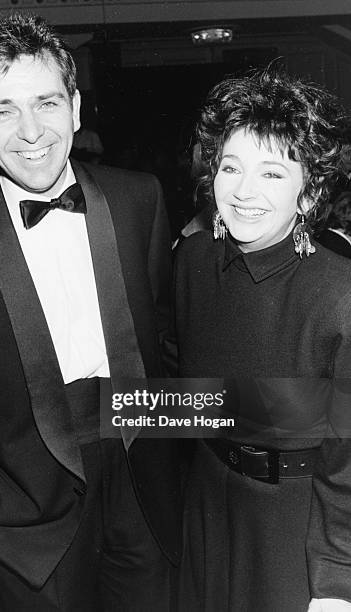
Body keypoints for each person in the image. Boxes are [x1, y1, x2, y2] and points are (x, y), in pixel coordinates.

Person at [0, 13, 182, 612]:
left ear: (76, 108)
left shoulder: (140, 200)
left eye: (47, 103)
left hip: (147, 493)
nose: (32, 132)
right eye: (2, 111)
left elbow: (170, 346)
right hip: (24, 526)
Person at [173, 67, 351, 611]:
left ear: (309, 191)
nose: (244, 192)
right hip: (206, 507)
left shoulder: (339, 297)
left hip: (292, 531)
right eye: (231, 167)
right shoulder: (194, 263)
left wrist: (336, 583)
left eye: (272, 174)